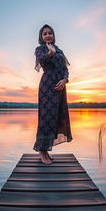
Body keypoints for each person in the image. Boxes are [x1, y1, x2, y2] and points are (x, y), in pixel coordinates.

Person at [33, 24, 73, 164]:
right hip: (47, 87)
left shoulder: (60, 50)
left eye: (50, 33)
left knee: (56, 117)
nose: (48, 35)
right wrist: (49, 53)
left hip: (60, 87)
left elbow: (65, 69)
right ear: (41, 37)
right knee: (46, 117)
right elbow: (41, 61)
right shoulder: (40, 49)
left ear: (54, 35)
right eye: (45, 34)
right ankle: (42, 151)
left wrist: (65, 80)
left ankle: (46, 150)